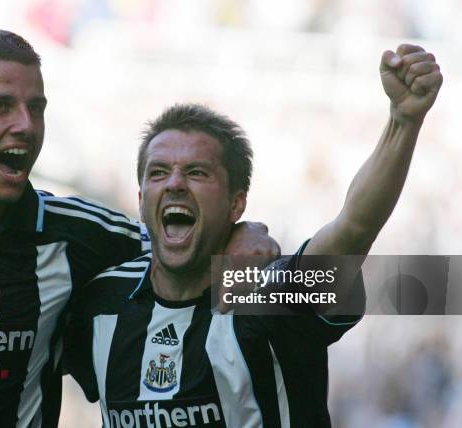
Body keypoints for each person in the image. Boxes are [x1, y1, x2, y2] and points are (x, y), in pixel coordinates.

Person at [0, 29, 278, 427]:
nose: (25, 125)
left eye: (36, 108)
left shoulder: (83, 237)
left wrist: (243, 233)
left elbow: (186, 241)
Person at [64, 44, 442, 427]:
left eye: (197, 172)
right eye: (159, 172)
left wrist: (403, 121)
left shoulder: (269, 292)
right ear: (142, 199)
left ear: (237, 204)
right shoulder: (101, 302)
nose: (175, 182)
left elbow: (354, 230)